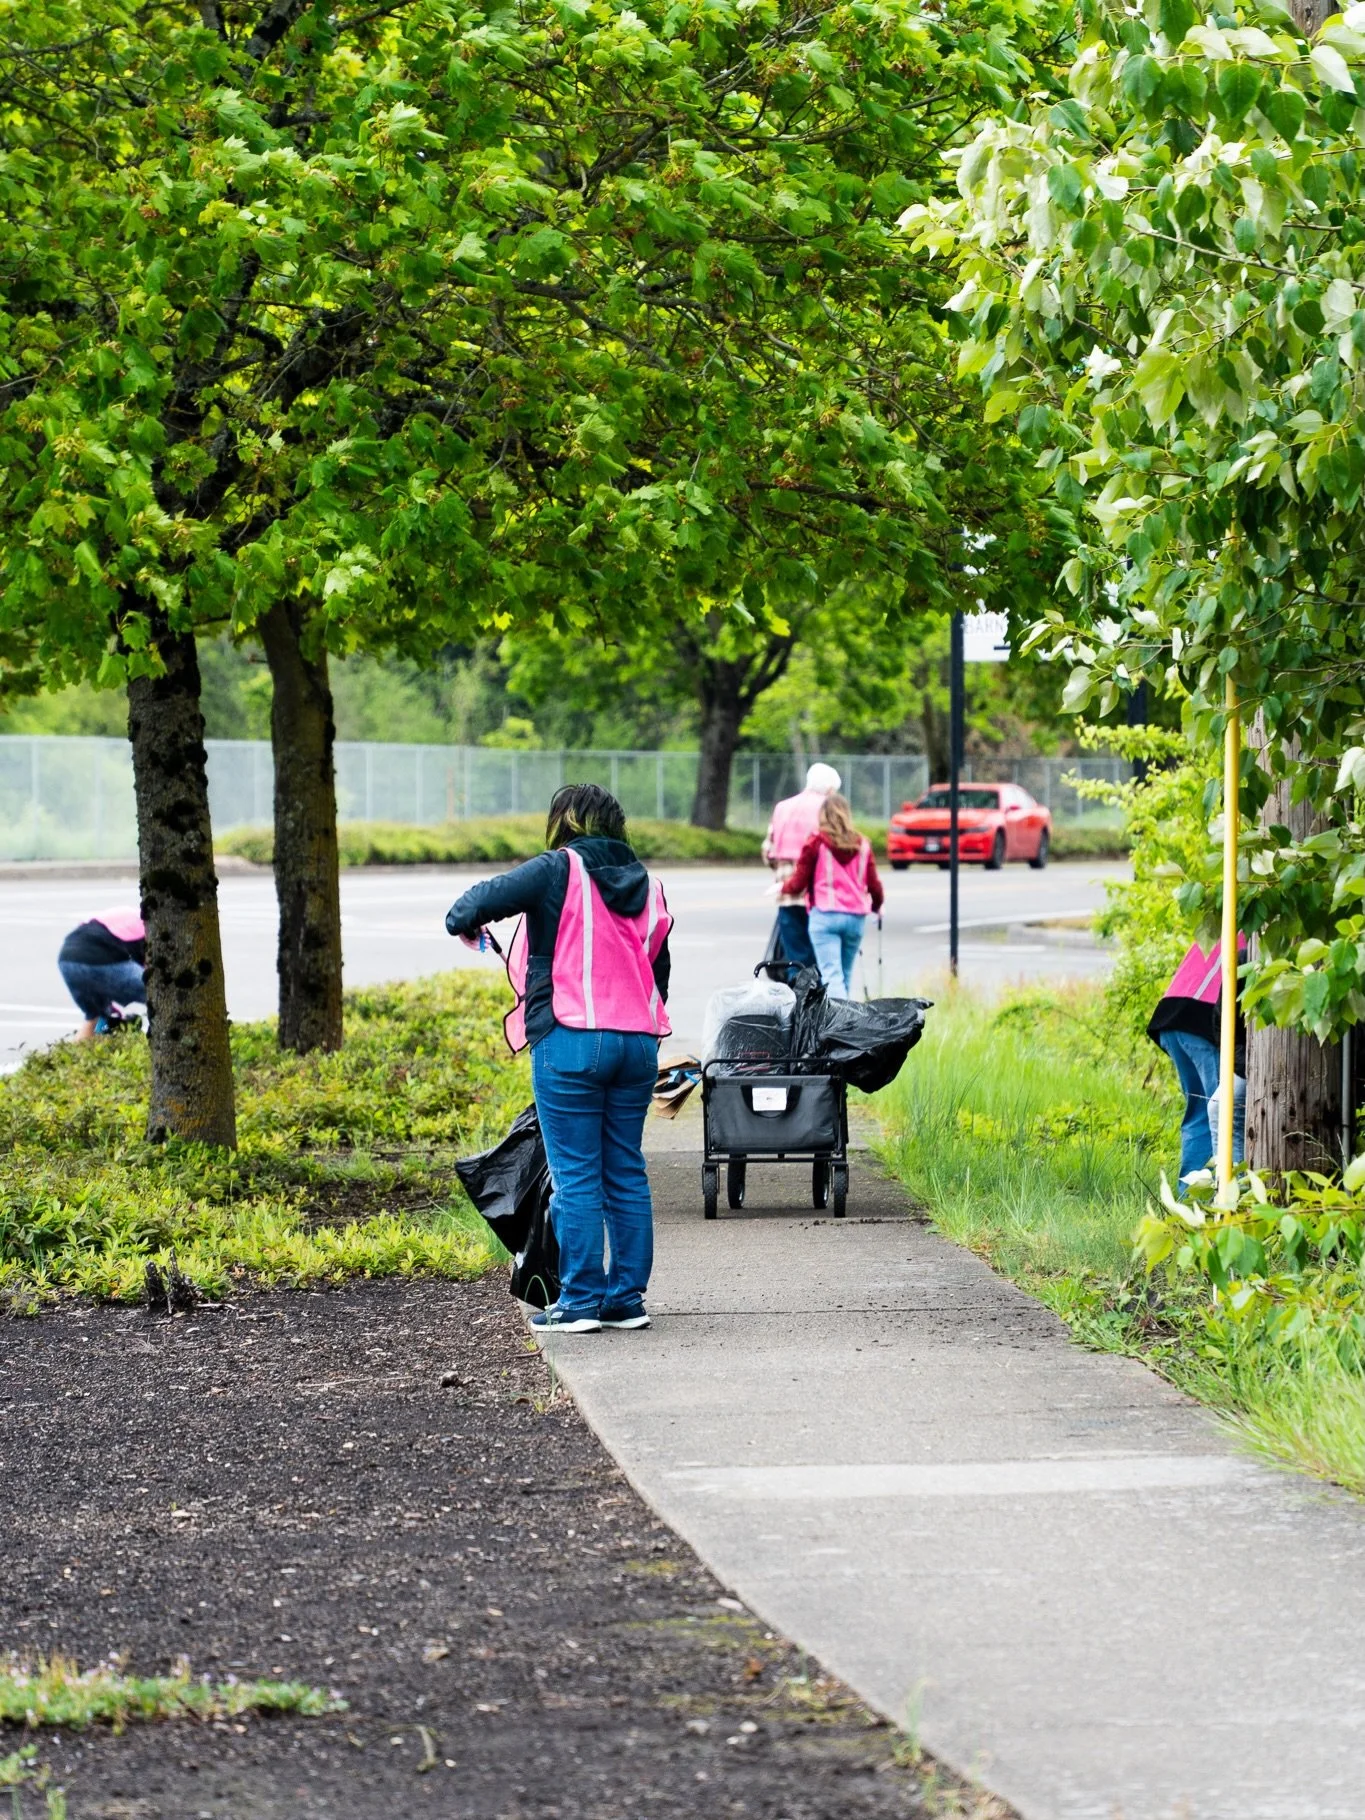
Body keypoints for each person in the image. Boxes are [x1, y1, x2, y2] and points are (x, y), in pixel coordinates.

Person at [445, 785, 672, 1334]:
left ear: (565, 823)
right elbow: (658, 973)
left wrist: (470, 929)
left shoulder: (557, 869)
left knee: (576, 1174)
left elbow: (466, 910)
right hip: (638, 1043)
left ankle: (579, 1302)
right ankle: (626, 1301)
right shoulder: (651, 885)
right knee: (625, 1170)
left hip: (571, 1036)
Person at [1148, 937, 1247, 1187]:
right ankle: (1226, 1197)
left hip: (1172, 1017)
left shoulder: (1229, 915)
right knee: (1224, 1112)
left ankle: (1189, 1197)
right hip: (1200, 1018)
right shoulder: (1257, 932)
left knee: (1200, 1115)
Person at [785, 793, 884, 999]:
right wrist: (876, 906)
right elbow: (874, 885)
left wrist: (783, 888)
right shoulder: (862, 844)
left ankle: (836, 1027)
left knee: (831, 975)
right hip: (855, 917)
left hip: (825, 915)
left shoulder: (815, 842)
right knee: (844, 976)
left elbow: (798, 883)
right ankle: (843, 1022)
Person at [761, 762, 841, 972]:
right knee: (821, 960)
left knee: (795, 959)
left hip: (787, 893)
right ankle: (819, 1003)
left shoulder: (782, 807)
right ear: (830, 789)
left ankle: (797, 1000)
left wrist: (783, 871)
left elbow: (768, 851)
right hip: (820, 896)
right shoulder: (829, 809)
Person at [57, 906, 147, 1041]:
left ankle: (79, 1056)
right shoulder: (150, 926)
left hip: (67, 960)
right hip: (99, 960)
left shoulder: (126, 914)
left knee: (95, 1016)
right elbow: (151, 970)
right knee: (162, 994)